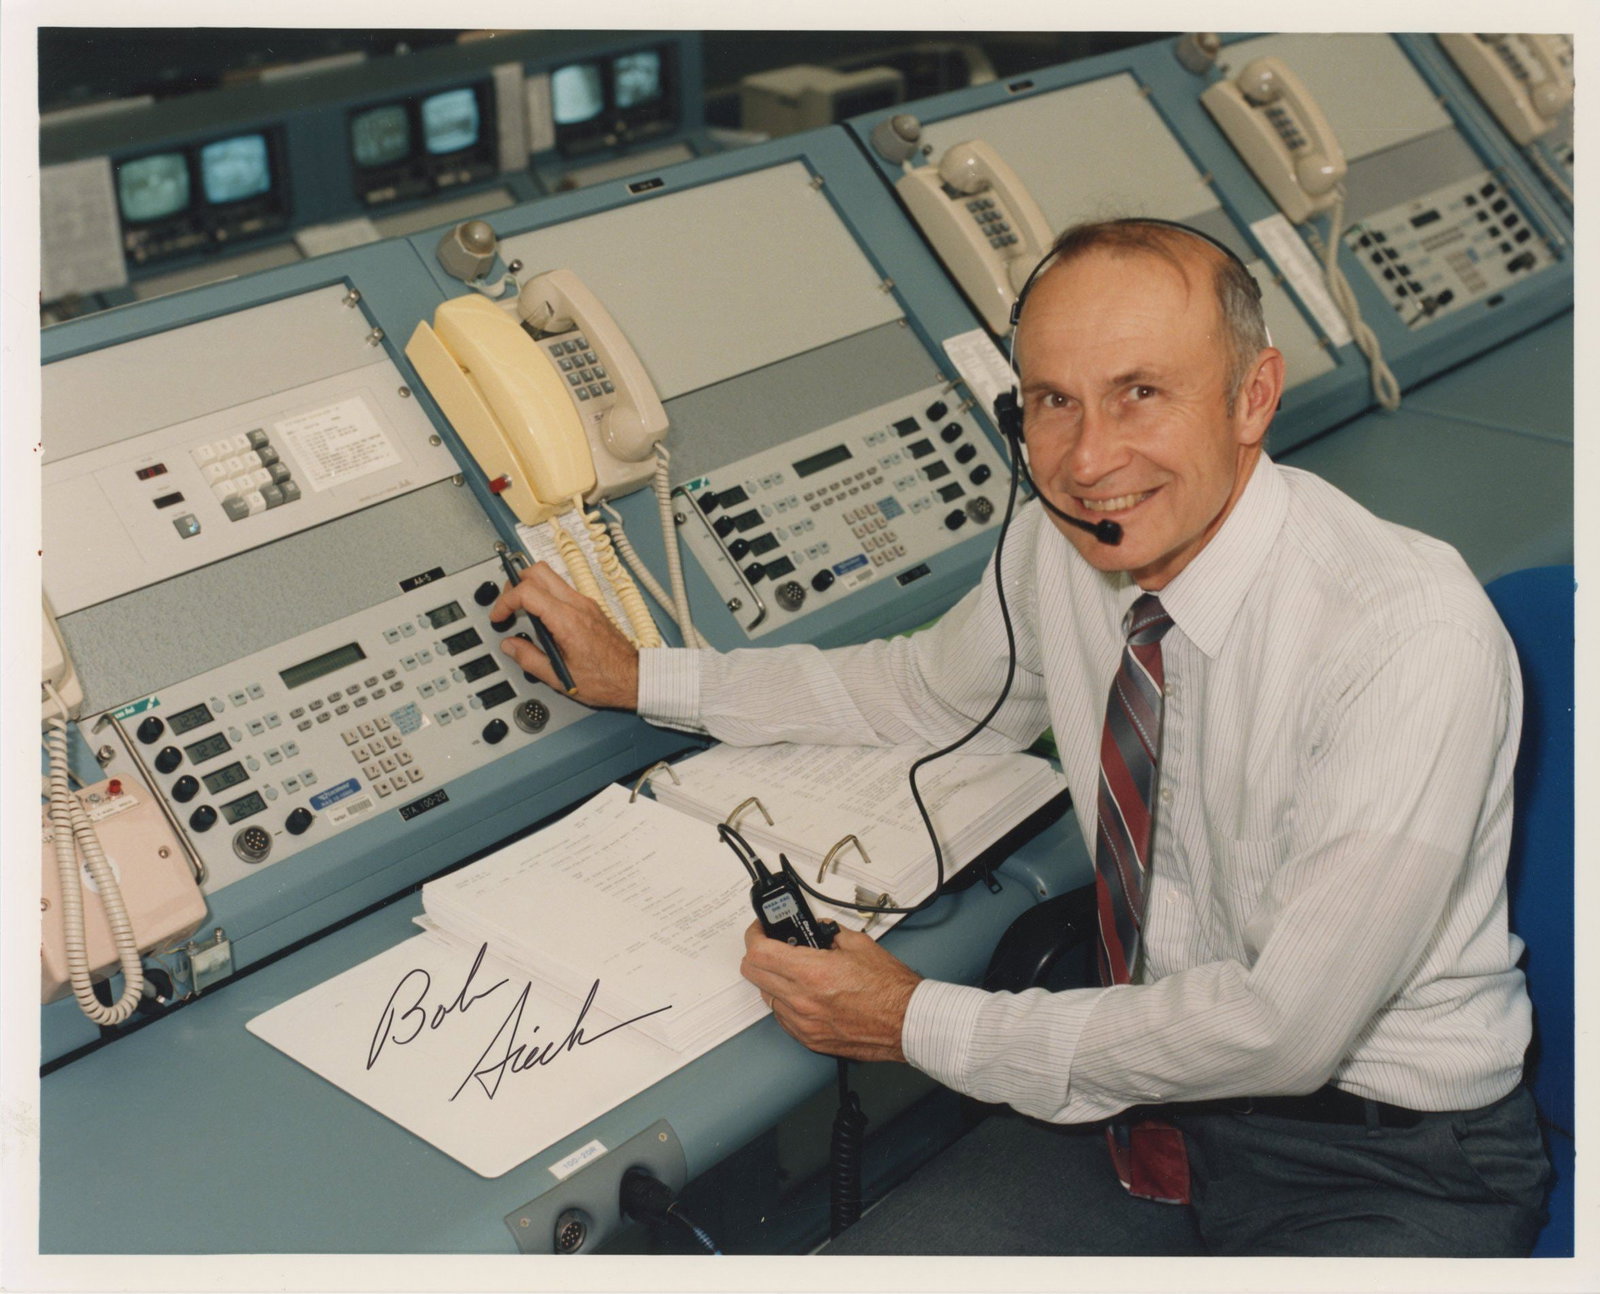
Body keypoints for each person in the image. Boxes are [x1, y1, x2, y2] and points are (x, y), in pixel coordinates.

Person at [490, 218, 1551, 1257]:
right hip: (1144, 1109)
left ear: (1252, 396)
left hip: (1381, 1162)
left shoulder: (1402, 632)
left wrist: (913, 1020)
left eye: (1141, 392)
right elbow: (927, 693)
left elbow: (1283, 1027)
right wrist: (647, 677)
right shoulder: (1071, 540)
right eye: (1051, 401)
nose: (1088, 458)